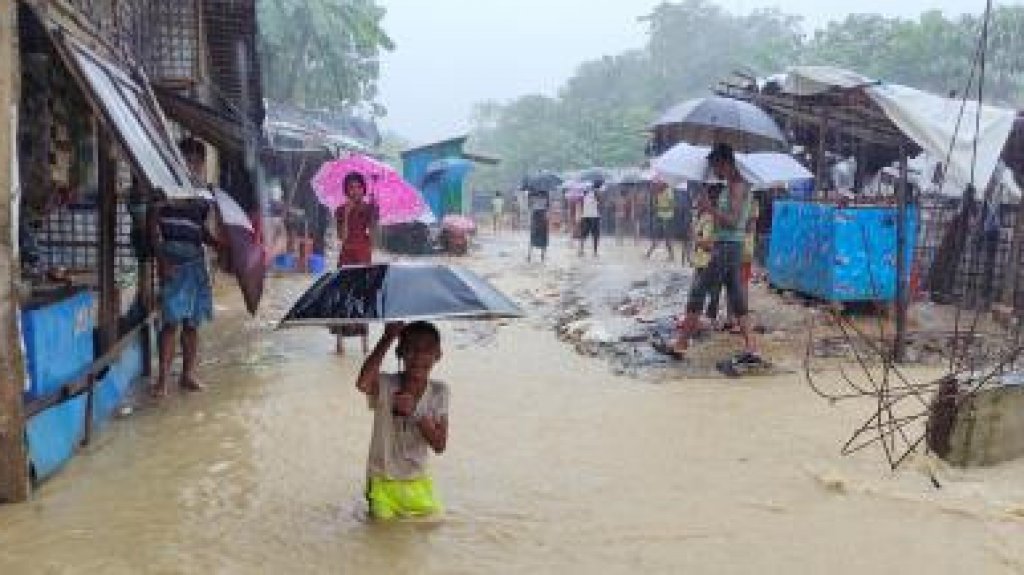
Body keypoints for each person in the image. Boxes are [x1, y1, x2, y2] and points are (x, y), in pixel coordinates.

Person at [673, 143, 759, 360]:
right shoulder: (732, 185)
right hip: (730, 246)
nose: (715, 173)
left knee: (698, 291)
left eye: (716, 167)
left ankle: (681, 344)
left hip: (727, 247)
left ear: (725, 163)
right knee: (737, 299)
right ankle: (751, 347)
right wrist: (709, 206)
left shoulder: (736, 186)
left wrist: (709, 209)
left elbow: (733, 221)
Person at [356, 321, 449, 521]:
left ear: (438, 354)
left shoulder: (440, 391)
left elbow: (440, 445)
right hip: (382, 481)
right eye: (411, 349)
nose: (418, 356)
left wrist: (414, 412)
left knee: (433, 529)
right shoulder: (385, 384)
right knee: (384, 537)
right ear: (399, 353)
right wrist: (387, 337)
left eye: (426, 349)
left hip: (417, 479)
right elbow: (363, 383)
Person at [151, 137, 219, 397]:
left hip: (195, 262)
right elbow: (152, 228)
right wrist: (163, 261)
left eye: (196, 161)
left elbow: (200, 231)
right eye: (187, 160)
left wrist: (218, 244)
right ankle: (163, 381)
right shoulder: (163, 190)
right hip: (173, 261)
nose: (192, 165)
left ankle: (188, 375)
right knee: (170, 323)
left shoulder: (203, 196)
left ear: (202, 164)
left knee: (193, 324)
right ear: (177, 162)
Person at [333, 172, 376, 355]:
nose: (355, 191)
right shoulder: (340, 210)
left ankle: (365, 346)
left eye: (358, 187)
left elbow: (374, 237)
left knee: (362, 299)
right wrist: (348, 213)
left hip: (363, 256)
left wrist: (375, 214)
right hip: (346, 256)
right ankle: (340, 344)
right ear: (346, 190)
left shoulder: (369, 209)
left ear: (363, 189)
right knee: (343, 298)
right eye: (351, 187)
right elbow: (341, 237)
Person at [646, 180, 676, 261]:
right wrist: (654, 197)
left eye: (656, 185)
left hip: (667, 217)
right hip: (659, 216)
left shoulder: (668, 191)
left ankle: (671, 256)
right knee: (656, 235)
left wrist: (659, 208)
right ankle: (648, 254)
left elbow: (672, 206)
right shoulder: (658, 192)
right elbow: (655, 204)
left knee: (667, 238)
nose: (655, 187)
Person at [579, 184, 602, 256]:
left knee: (583, 234)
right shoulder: (597, 193)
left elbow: (582, 205)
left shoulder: (585, 195)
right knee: (595, 235)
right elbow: (600, 204)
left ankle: (581, 250)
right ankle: (594, 252)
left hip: (585, 216)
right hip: (594, 217)